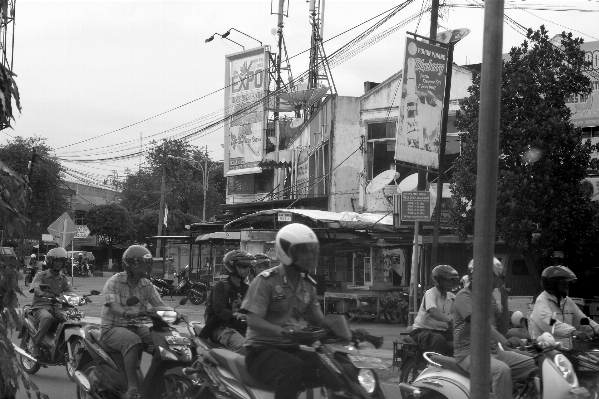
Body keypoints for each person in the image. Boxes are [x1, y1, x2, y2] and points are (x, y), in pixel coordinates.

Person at [241, 223, 325, 399]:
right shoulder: (266, 281)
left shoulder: (308, 285)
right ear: (286, 252)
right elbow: (253, 321)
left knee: (327, 365)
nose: (308, 256)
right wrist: (281, 331)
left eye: (311, 251)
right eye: (302, 251)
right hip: (261, 351)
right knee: (292, 368)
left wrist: (348, 331)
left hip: (290, 348)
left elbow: (319, 320)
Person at [454, 257, 536, 399]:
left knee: (535, 364)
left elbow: (502, 329)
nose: (498, 283)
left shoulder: (490, 299)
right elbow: (479, 324)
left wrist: (504, 300)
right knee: (501, 370)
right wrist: (505, 342)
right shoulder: (464, 297)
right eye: (496, 278)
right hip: (468, 353)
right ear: (481, 276)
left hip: (493, 351)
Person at [101, 245, 170, 399]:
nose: (147, 266)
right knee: (133, 341)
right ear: (130, 265)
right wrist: (125, 312)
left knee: (163, 342)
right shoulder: (115, 281)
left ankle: (157, 383)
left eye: (148, 263)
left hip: (137, 326)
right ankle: (132, 387)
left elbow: (159, 304)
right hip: (113, 327)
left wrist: (175, 313)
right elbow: (113, 305)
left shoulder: (147, 284)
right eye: (143, 263)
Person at [530, 265, 599, 347]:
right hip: (546, 351)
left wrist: (597, 329)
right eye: (562, 281)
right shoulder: (542, 301)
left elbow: (583, 320)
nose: (566, 284)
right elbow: (550, 324)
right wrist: (572, 331)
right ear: (552, 283)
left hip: (566, 351)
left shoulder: (567, 301)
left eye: (566, 281)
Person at [201, 250, 254, 352]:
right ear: (232, 267)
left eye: (248, 266)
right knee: (245, 348)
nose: (247, 269)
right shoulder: (221, 286)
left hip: (240, 327)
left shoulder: (246, 288)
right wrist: (236, 315)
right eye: (243, 266)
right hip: (221, 328)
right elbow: (219, 310)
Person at [29, 247, 74, 358]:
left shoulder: (63, 279)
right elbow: (35, 288)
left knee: (70, 318)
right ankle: (35, 344)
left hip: (56, 308)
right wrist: (42, 293)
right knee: (47, 318)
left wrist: (80, 298)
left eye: (61, 261)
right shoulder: (41, 275)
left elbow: (70, 292)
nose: (59, 264)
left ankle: (61, 344)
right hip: (40, 307)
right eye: (57, 261)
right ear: (50, 261)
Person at [410, 264, 459, 356]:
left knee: (462, 340)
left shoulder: (451, 297)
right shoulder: (430, 293)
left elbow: (462, 310)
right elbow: (433, 311)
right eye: (447, 279)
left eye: (452, 280)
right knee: (439, 340)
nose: (450, 282)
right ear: (438, 280)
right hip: (422, 330)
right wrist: (449, 320)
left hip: (442, 331)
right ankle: (435, 367)